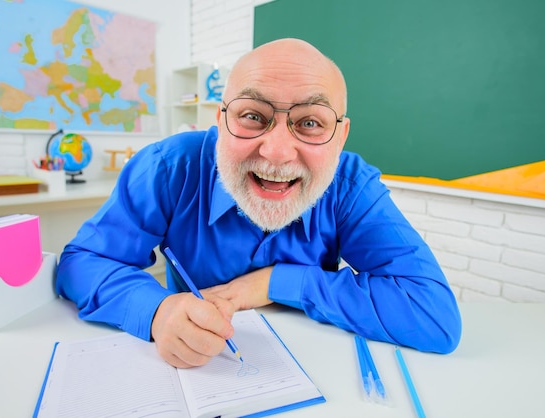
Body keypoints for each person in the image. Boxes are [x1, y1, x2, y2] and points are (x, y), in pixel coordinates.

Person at [56, 38, 461, 368]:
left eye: (310, 122)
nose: (278, 153)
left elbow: (432, 314)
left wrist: (273, 282)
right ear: (220, 120)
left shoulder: (352, 186)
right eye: (253, 115)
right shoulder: (168, 168)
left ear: (340, 136)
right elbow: (80, 262)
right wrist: (157, 311)